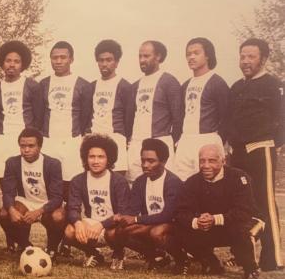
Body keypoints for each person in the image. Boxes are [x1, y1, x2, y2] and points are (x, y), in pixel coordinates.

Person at [228, 38, 285, 271]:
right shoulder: (236, 87)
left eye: (251, 56)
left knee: (265, 201)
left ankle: (272, 259)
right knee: (241, 203)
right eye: (243, 56)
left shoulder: (273, 85)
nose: (246, 61)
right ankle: (243, 253)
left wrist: (275, 143)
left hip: (261, 150)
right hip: (238, 152)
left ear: (263, 58)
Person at [175, 144, 261, 279]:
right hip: (210, 226)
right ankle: (210, 262)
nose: (206, 165)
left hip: (239, 224)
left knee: (241, 230)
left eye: (212, 160)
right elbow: (181, 211)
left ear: (223, 161)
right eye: (202, 161)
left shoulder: (239, 177)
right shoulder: (192, 182)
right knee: (179, 230)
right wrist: (197, 221)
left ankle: (250, 267)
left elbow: (244, 211)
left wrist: (215, 219)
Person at [116, 138, 185, 271]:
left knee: (156, 232)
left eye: (151, 161)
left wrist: (136, 220)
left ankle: (182, 259)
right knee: (121, 231)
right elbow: (133, 210)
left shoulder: (173, 183)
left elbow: (167, 216)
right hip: (150, 224)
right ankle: (157, 256)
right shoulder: (140, 182)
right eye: (143, 160)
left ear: (163, 162)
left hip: (173, 226)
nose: (145, 165)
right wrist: (124, 217)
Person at [64, 134, 130, 267]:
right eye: (91, 156)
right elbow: (73, 208)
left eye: (101, 157)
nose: (95, 161)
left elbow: (123, 213)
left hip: (112, 226)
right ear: (85, 158)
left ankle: (118, 253)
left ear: (109, 159)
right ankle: (92, 253)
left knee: (116, 232)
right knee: (69, 232)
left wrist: (102, 224)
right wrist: (78, 223)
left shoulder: (119, 181)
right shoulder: (78, 180)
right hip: (91, 225)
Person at [39, 41, 93, 199]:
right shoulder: (44, 84)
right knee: (50, 188)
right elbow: (39, 114)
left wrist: (79, 136)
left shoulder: (83, 84)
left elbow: (86, 115)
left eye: (63, 57)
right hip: (49, 140)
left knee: (71, 188)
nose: (59, 61)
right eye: (55, 57)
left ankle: (72, 220)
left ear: (71, 59)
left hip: (72, 141)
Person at [0, 128, 65, 257]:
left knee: (59, 216)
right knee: (4, 213)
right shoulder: (12, 162)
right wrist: (12, 211)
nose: (26, 150)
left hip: (47, 203)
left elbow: (58, 197)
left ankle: (52, 249)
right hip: (26, 202)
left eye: (31, 146)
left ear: (40, 146)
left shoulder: (53, 164)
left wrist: (38, 212)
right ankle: (25, 246)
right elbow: (7, 192)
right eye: (23, 146)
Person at [173, 37, 229, 181]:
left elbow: (226, 116)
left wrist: (218, 141)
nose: (191, 57)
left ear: (208, 55)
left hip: (207, 138)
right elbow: (180, 116)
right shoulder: (185, 85)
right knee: (182, 184)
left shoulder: (217, 82)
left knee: (208, 184)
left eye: (196, 53)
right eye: (188, 54)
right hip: (185, 140)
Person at [127, 40, 183, 180]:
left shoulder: (169, 82)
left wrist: (171, 141)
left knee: (160, 185)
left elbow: (178, 117)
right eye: (140, 56)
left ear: (158, 56)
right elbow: (130, 117)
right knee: (135, 185)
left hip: (160, 142)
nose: (142, 60)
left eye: (146, 56)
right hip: (137, 143)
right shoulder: (136, 85)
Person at [0, 40, 43, 179]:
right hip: (4, 140)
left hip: (25, 141)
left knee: (25, 183)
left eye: (16, 61)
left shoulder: (31, 86)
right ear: (2, 62)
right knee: (4, 182)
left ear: (22, 64)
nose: (12, 64)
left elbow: (39, 117)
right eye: (8, 60)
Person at [90, 39, 133, 173]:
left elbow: (129, 117)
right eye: (101, 60)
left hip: (116, 140)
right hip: (95, 139)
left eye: (109, 60)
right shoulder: (91, 86)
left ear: (117, 62)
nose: (104, 64)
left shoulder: (125, 86)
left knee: (116, 180)